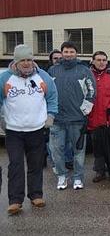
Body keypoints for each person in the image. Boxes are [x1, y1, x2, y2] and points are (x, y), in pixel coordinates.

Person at [0, 45, 58, 215]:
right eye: (22, 60)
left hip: (37, 129)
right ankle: (15, 200)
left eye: (29, 60)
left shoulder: (43, 77)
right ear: (16, 62)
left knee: (35, 164)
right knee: (16, 164)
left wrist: (51, 116)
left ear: (33, 61)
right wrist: (1, 120)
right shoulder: (5, 79)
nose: (26, 63)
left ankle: (36, 195)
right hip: (13, 131)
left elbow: (53, 97)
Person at [48, 42, 96, 191]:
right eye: (66, 51)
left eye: (71, 51)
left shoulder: (84, 70)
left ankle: (78, 177)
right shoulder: (52, 70)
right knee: (56, 151)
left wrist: (85, 110)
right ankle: (62, 176)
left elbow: (92, 91)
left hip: (77, 120)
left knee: (78, 151)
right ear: (62, 53)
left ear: (76, 53)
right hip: (57, 119)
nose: (68, 54)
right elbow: (46, 92)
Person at [87, 51, 110, 183]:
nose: (101, 62)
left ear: (107, 61)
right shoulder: (88, 76)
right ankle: (100, 171)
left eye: (104, 60)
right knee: (98, 147)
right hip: (94, 118)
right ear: (93, 61)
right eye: (98, 60)